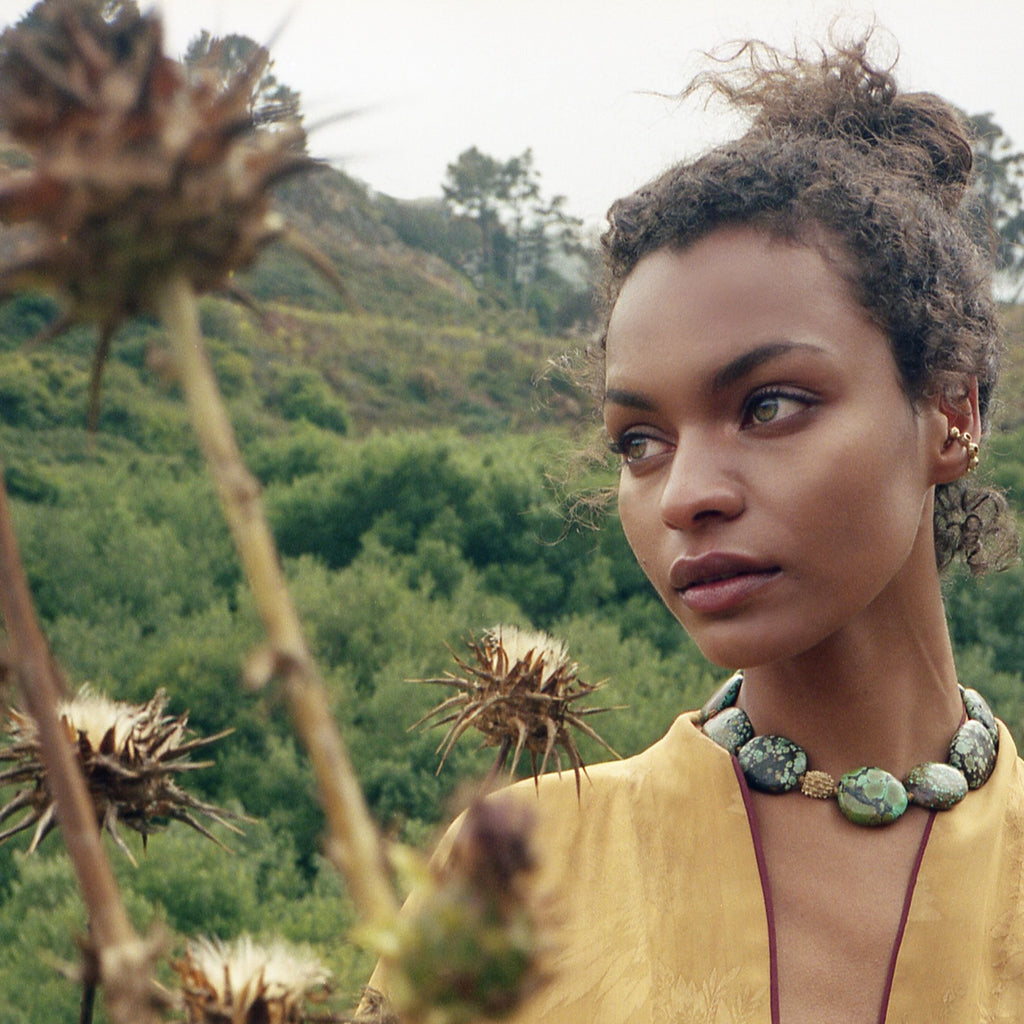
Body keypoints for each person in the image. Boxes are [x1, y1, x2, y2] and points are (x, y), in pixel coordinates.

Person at [373, 36, 1024, 1024]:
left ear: (951, 412)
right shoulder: (519, 866)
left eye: (767, 406)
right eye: (639, 438)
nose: (684, 493)